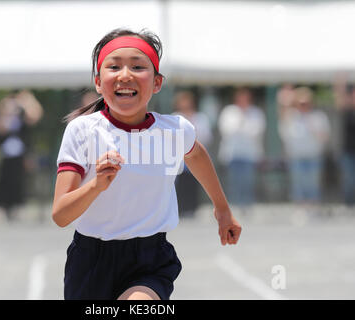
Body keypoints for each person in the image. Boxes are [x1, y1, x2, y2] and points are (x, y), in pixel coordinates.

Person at [52, 28, 241, 300]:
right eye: (114, 66)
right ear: (97, 81)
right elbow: (60, 215)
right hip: (91, 260)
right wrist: (96, 185)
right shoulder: (82, 131)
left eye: (138, 67)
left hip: (150, 259)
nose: (125, 75)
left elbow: (197, 156)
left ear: (157, 83)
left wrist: (222, 209)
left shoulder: (175, 130)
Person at [0, 90, 43, 222]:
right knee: (4, 180)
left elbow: (35, 115)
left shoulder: (23, 117)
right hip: (6, 155)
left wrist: (26, 101)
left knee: (20, 181)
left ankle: (17, 208)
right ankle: (3, 207)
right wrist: (6, 110)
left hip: (21, 155)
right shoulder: (5, 118)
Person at [278, 86, 330, 204]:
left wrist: (313, 129)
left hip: (313, 156)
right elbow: (283, 129)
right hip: (297, 156)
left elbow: (325, 137)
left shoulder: (318, 117)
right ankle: (300, 209)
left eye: (306, 103)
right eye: (301, 103)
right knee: (298, 184)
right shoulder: (291, 117)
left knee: (313, 184)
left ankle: (312, 207)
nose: (303, 106)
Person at [218, 88, 266, 208]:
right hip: (232, 154)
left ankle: (247, 206)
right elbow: (227, 130)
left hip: (249, 154)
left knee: (248, 182)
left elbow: (256, 131)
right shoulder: (229, 112)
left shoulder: (256, 112)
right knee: (234, 182)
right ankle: (235, 206)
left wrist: (241, 128)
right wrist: (242, 124)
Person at [172, 90, 213, 217]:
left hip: (194, 153)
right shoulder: (174, 117)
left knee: (193, 183)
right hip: (179, 157)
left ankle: (192, 208)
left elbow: (206, 136)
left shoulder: (200, 118)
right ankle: (181, 208)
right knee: (180, 184)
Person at [333, 76, 355, 206]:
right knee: (349, 180)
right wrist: (340, 84)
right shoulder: (346, 111)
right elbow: (339, 99)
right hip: (348, 151)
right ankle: (349, 204)